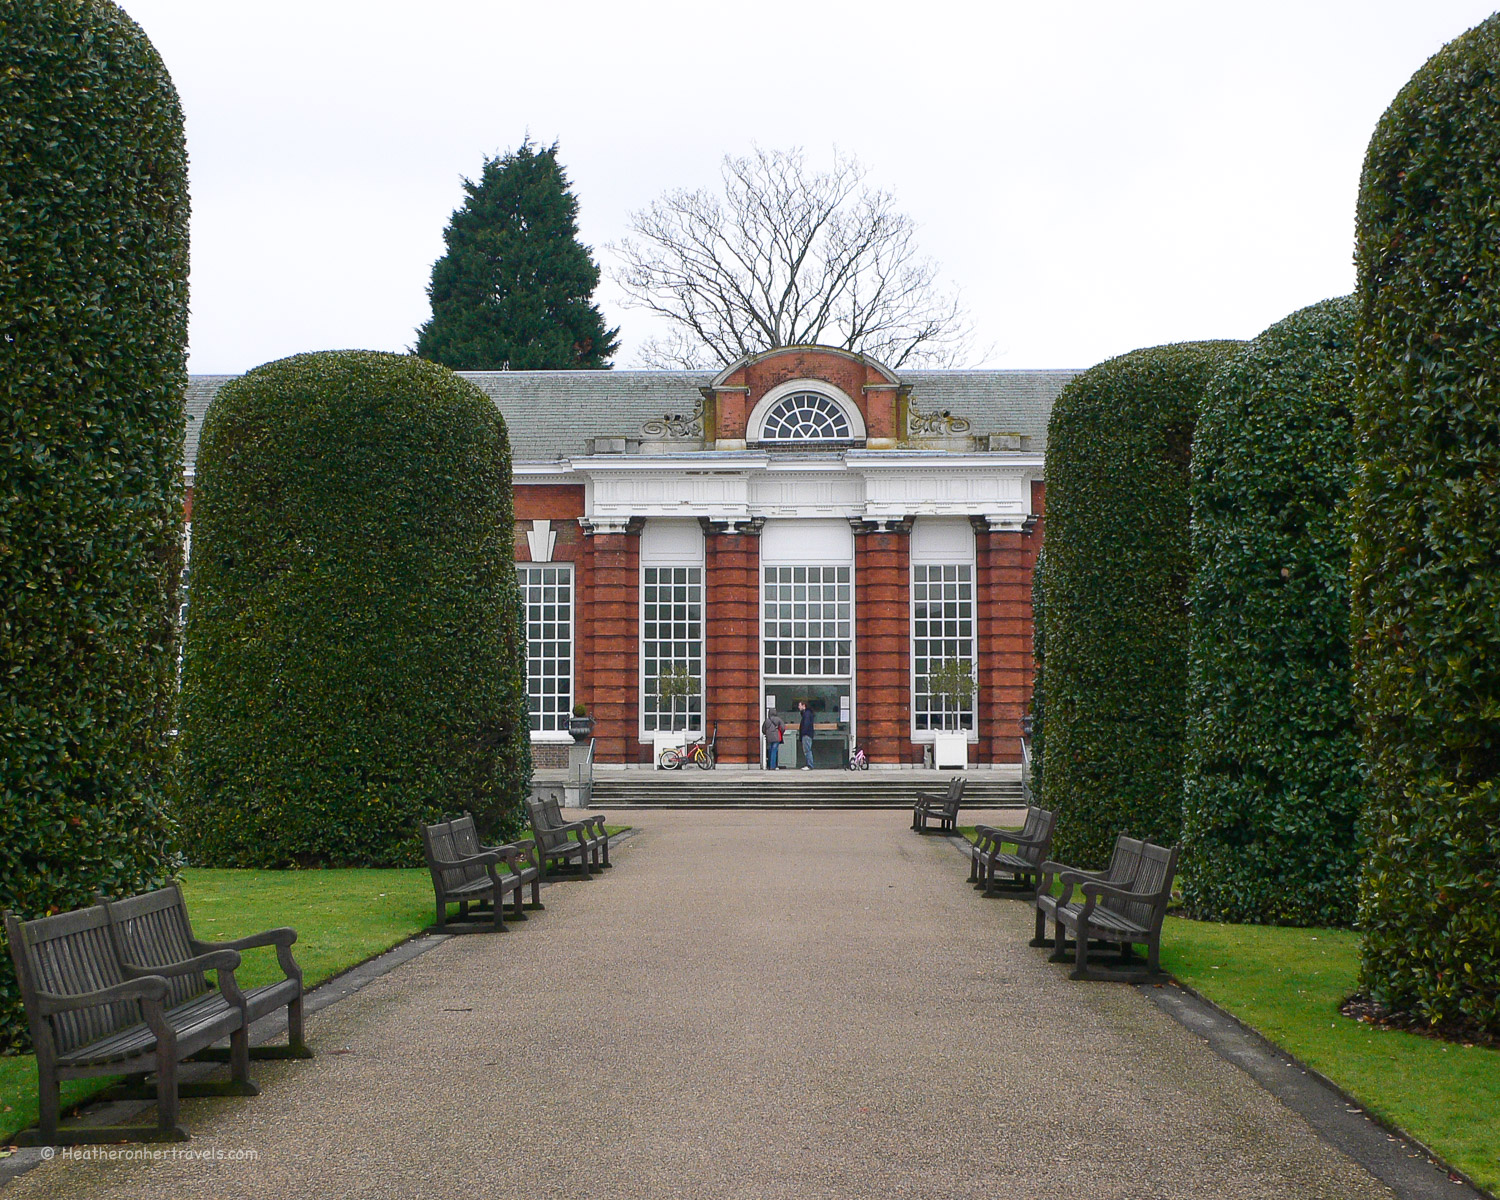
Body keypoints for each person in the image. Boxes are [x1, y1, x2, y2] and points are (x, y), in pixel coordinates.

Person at [797, 699, 815, 769]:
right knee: (807, 749)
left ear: (803, 706)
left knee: (807, 750)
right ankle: (809, 764)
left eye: (799, 705)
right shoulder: (807, 713)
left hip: (806, 734)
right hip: (808, 734)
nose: (798, 707)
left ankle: (809, 765)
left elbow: (806, 724)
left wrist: (803, 733)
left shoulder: (807, 714)